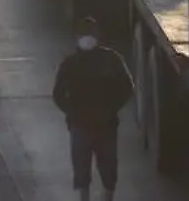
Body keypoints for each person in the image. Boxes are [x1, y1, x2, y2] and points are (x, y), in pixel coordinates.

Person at [51, 16, 135, 201]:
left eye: (91, 34)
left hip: (104, 125)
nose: (88, 38)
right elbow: (58, 94)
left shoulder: (111, 59)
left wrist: (112, 108)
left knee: (108, 169)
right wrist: (73, 112)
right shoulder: (70, 64)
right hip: (83, 126)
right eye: (85, 34)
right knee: (82, 170)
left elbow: (127, 87)